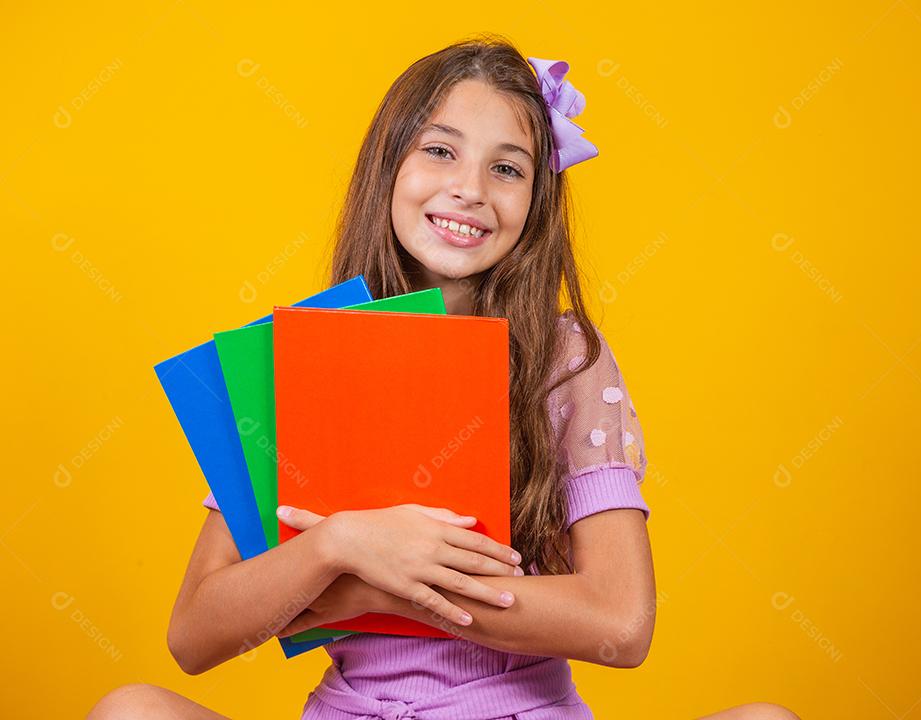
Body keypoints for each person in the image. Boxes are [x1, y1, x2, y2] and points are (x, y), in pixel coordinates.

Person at [89, 34, 799, 720]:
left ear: (537, 201)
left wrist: (391, 588)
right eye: (439, 151)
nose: (469, 189)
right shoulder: (298, 355)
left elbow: (621, 622)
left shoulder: (565, 357)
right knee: (130, 711)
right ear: (387, 168)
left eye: (507, 168)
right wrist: (341, 545)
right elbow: (194, 635)